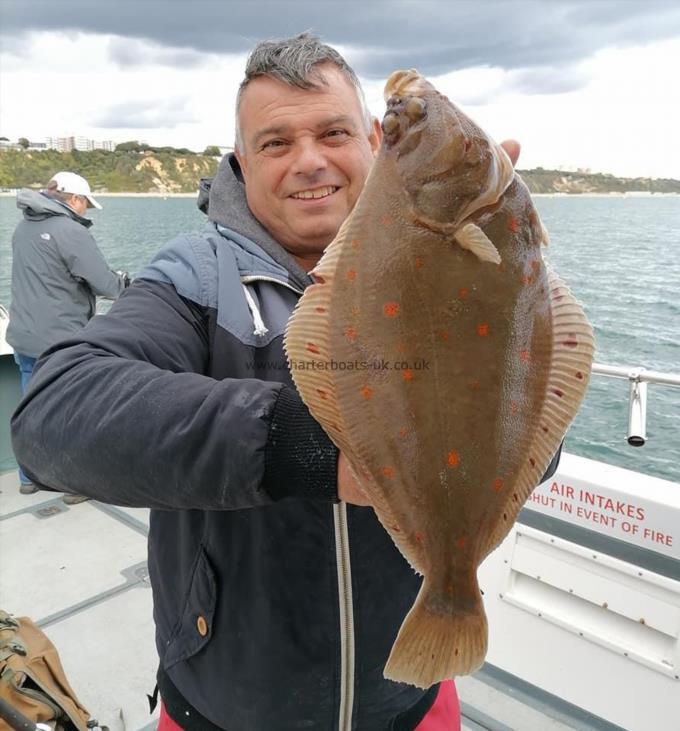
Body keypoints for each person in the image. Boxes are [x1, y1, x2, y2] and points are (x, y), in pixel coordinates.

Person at [11, 35, 558, 730]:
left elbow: (542, 446)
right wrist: (309, 448)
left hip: (409, 703)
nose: (309, 161)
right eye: (275, 143)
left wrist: (511, 293)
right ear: (242, 163)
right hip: (223, 707)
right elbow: (51, 418)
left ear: (374, 142)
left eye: (333, 132)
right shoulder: (191, 279)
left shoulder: (463, 262)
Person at [7, 171, 129, 501]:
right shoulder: (70, 231)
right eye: (86, 203)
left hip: (23, 335)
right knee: (75, 409)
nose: (86, 210)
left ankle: (28, 477)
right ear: (74, 200)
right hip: (60, 340)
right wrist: (126, 284)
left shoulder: (23, 227)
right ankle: (76, 485)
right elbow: (105, 283)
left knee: (31, 408)